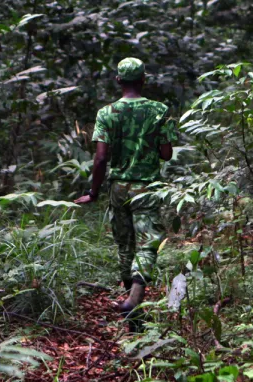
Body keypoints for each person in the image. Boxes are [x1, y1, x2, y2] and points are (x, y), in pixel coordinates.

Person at [74, 57, 177, 327]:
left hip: (118, 187)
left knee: (124, 244)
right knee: (148, 242)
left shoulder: (106, 113)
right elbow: (166, 153)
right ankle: (135, 299)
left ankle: (130, 306)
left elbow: (100, 159)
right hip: (147, 187)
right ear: (144, 79)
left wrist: (93, 192)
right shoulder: (159, 110)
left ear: (118, 80)